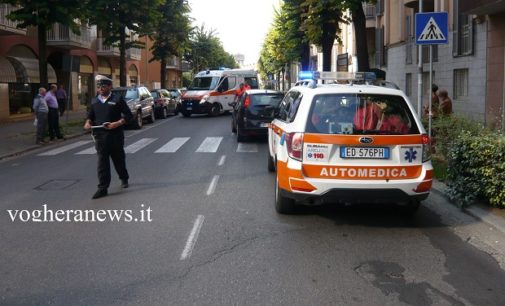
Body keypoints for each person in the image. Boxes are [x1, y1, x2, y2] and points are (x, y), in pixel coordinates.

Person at [84, 75, 133, 199]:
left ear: (110, 87)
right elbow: (91, 116)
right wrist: (88, 122)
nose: (101, 88)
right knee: (102, 162)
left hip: (115, 135)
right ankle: (103, 188)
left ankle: (124, 178)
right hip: (100, 136)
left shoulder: (117, 99)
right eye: (99, 86)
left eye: (103, 86)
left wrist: (117, 123)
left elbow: (128, 115)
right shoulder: (95, 101)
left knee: (118, 159)